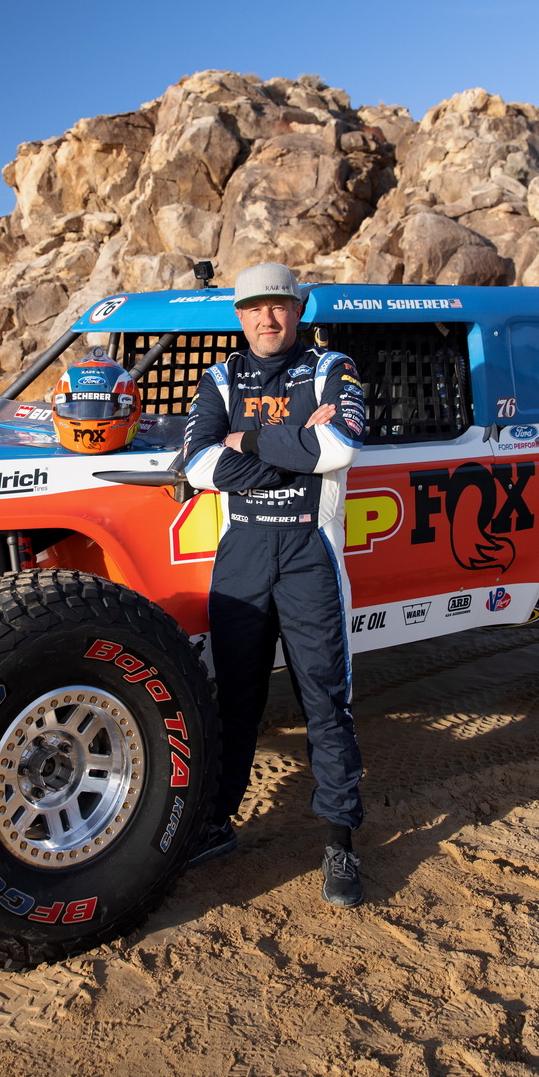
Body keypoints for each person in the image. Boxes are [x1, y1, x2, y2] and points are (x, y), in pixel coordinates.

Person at [180, 261, 369, 907]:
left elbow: (340, 444)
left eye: (280, 305)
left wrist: (249, 438)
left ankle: (341, 843)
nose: (268, 317)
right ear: (240, 315)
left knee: (326, 699)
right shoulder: (218, 376)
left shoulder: (331, 366)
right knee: (234, 701)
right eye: (255, 307)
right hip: (241, 558)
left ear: (299, 309)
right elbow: (199, 461)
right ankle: (215, 821)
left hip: (309, 555)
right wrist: (288, 455)